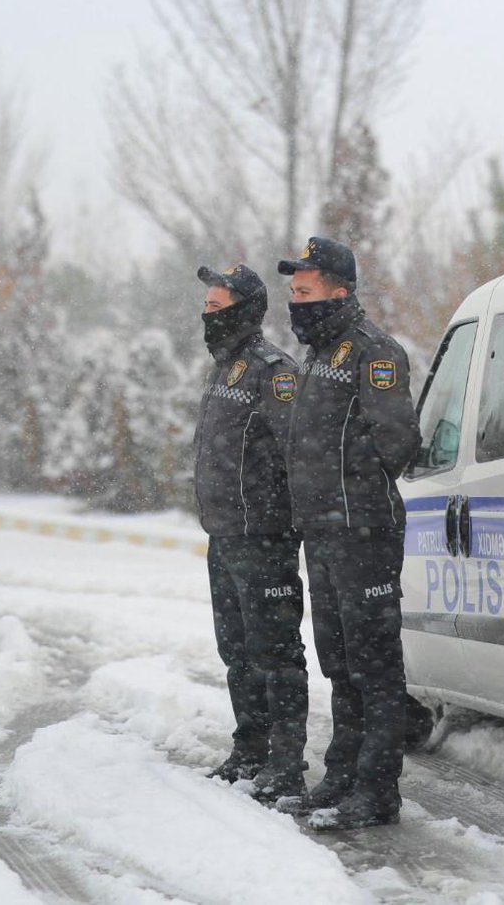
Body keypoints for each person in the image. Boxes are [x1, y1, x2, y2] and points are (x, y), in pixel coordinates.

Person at [273, 236, 423, 831]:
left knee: (374, 666)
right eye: (292, 293)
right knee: (338, 662)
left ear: (339, 288)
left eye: (304, 291)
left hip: (363, 532)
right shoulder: (316, 356)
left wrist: (347, 492)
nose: (295, 302)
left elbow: (397, 442)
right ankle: (341, 774)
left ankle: (377, 788)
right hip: (324, 534)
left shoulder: (372, 352)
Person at [193, 263, 309, 806]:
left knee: (274, 651)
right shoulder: (224, 370)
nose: (207, 316)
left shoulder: (272, 371)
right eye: (208, 307)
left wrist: (279, 519)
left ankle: (285, 762)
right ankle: (250, 748)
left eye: (216, 307)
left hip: (263, 538)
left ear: (243, 310)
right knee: (235, 650)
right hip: (224, 535)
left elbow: (295, 452)